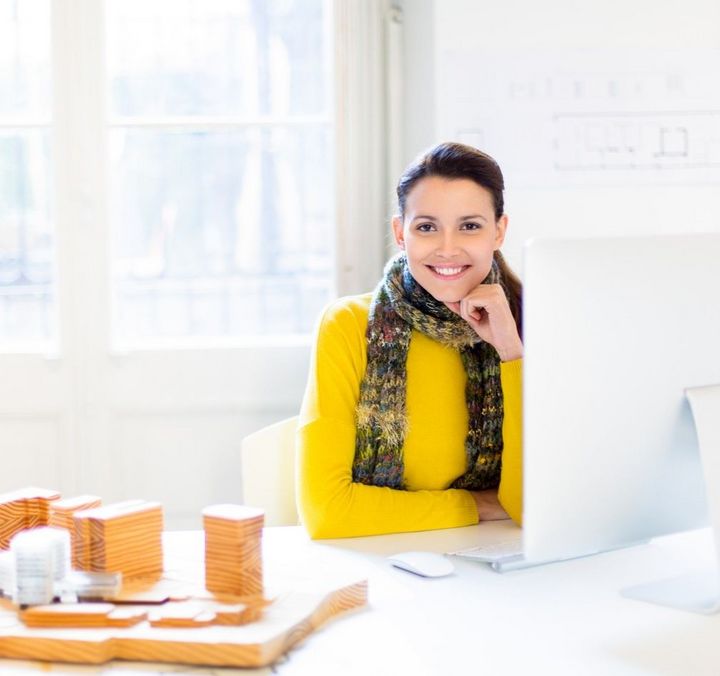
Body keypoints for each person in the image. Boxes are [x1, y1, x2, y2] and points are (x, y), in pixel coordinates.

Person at [296, 142, 523, 539]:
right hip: (385, 567)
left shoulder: (532, 323)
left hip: (500, 570)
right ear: (401, 233)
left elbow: (529, 506)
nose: (447, 248)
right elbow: (327, 512)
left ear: (499, 231)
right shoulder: (348, 326)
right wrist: (475, 503)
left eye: (469, 226)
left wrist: (511, 352)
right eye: (427, 227)